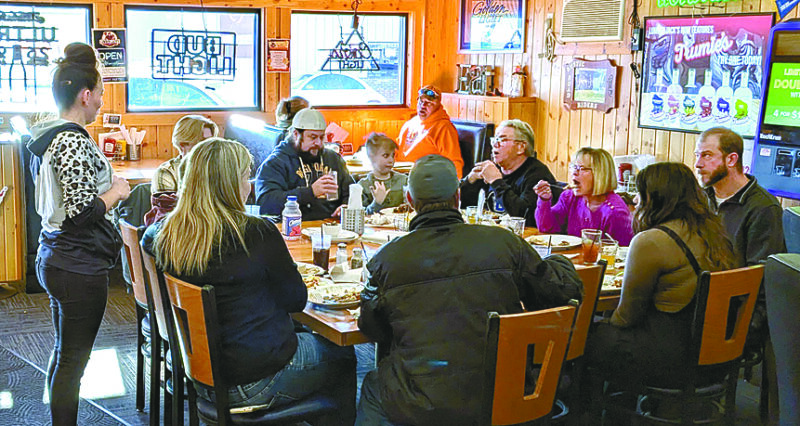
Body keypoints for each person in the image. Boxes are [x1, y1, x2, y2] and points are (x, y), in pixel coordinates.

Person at [356, 154, 582, 426]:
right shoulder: (503, 243)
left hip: (423, 403)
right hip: (507, 394)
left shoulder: (387, 260)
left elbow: (372, 329)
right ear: (458, 198)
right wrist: (559, 260)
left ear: (409, 201)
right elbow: (561, 292)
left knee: (372, 381)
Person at [142, 138, 356, 423]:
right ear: (231, 184)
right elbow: (296, 300)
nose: (250, 185)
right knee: (343, 354)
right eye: (245, 176)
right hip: (252, 380)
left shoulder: (163, 234)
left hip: (193, 369)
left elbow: (150, 238)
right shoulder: (256, 233)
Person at [27, 42, 131, 426]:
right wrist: (117, 192)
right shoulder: (71, 139)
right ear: (85, 95)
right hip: (76, 265)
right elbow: (81, 212)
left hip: (59, 259)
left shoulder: (52, 134)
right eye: (101, 93)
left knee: (65, 353)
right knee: (73, 360)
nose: (103, 101)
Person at [585, 162, 738, 390]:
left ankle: (596, 414)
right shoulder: (714, 232)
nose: (635, 200)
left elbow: (626, 317)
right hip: (715, 356)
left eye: (640, 193)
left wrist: (596, 321)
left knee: (582, 335)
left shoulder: (652, 240)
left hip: (671, 360)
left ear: (655, 197)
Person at [254, 108, 354, 220]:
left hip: (332, 227)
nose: (319, 143)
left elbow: (351, 190)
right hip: (293, 229)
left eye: (322, 137)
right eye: (313, 137)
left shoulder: (333, 158)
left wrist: (347, 205)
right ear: (296, 134)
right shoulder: (276, 163)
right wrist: (310, 192)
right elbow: (266, 203)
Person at [460, 119, 558, 226]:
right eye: (495, 139)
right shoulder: (491, 168)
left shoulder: (537, 174)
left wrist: (496, 182)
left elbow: (524, 217)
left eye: (502, 140)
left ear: (520, 147)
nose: (495, 145)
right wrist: (469, 181)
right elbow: (462, 205)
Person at [533, 147, 633, 245]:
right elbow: (546, 228)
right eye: (573, 167)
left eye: (582, 168)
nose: (574, 173)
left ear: (600, 175)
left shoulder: (615, 212)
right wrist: (544, 200)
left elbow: (622, 254)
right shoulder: (569, 197)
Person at [397, 85, 464, 177]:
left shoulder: (444, 128)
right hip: (400, 173)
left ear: (438, 106)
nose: (423, 106)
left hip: (424, 179)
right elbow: (396, 151)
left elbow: (454, 162)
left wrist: (455, 187)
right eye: (421, 101)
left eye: (429, 103)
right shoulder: (410, 124)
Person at [151, 114, 218, 193]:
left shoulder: (218, 168)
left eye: (210, 141)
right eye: (201, 142)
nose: (208, 146)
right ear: (182, 144)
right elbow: (171, 205)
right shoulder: (167, 173)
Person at [357, 132, 408, 214]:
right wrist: (377, 203)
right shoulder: (363, 186)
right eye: (385, 155)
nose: (391, 160)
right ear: (371, 157)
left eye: (393, 155)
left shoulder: (404, 180)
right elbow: (361, 216)